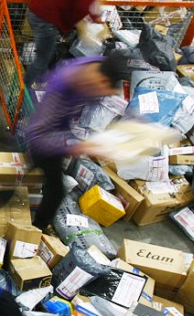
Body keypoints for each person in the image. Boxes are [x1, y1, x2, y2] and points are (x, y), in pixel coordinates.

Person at [25, 54, 123, 230]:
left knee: (53, 178)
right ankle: (37, 229)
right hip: (43, 140)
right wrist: (77, 146)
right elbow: (37, 135)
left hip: (62, 132)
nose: (98, 95)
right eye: (101, 90)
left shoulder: (96, 65)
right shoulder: (60, 88)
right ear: (100, 80)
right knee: (57, 189)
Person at [24, 0, 118, 85]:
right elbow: (82, 7)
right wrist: (84, 28)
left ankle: (41, 82)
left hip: (36, 11)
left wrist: (94, 17)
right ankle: (22, 93)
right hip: (45, 19)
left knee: (47, 52)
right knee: (42, 60)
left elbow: (83, 2)